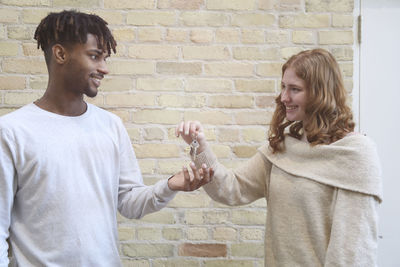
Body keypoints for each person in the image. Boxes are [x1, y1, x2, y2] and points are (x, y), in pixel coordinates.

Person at [0, 10, 213, 266]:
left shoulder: (110, 126)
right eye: (94, 56)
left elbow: (129, 203)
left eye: (105, 58)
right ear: (60, 54)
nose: (104, 68)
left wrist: (169, 186)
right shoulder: (12, 131)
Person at [177, 49, 382, 266]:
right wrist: (199, 147)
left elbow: (352, 253)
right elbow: (232, 189)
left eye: (295, 89)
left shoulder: (355, 154)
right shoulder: (282, 147)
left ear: (320, 93)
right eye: (284, 86)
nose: (284, 97)